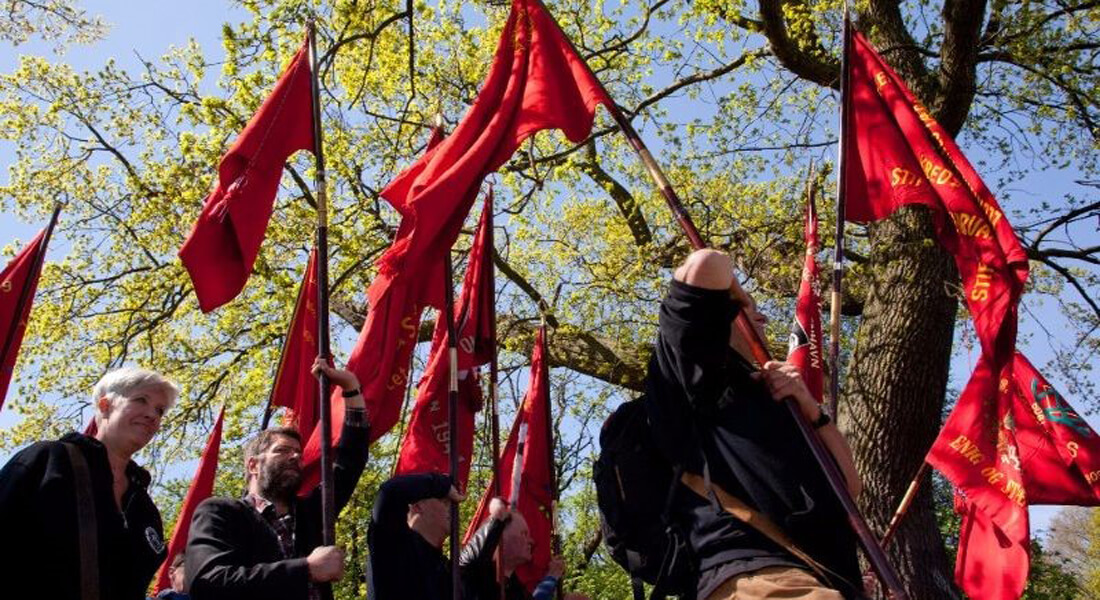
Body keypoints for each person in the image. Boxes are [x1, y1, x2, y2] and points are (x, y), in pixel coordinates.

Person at [645, 248, 864, 600]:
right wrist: (739, 297)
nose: (762, 318)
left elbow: (849, 488)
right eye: (752, 311)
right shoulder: (694, 372)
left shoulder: (773, 395)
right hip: (759, 576)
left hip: (822, 575)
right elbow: (706, 263)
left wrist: (812, 410)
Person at [185, 359, 369, 600]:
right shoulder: (222, 513)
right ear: (253, 465)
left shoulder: (311, 513)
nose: (295, 457)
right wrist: (307, 569)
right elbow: (208, 582)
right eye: (282, 451)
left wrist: (351, 388)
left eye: (298, 454)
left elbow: (350, 461)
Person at [0, 366, 180, 600]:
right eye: (141, 400)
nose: (152, 415)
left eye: (160, 410)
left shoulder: (146, 510)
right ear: (105, 406)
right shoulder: (48, 460)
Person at [461, 498, 590, 600]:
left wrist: (552, 576)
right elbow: (475, 553)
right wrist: (497, 517)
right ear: (500, 534)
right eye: (524, 534)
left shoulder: (516, 590)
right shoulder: (471, 570)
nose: (531, 541)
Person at [366, 471, 464, 600]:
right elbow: (390, 493)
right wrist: (441, 484)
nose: (451, 509)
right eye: (444, 502)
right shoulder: (392, 544)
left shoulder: (445, 568)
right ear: (417, 506)